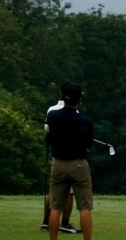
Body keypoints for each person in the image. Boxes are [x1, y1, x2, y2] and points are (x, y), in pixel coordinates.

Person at [46, 83, 94, 240]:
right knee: (85, 207)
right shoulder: (85, 121)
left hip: (58, 164)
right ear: (80, 99)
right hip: (79, 164)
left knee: (55, 207)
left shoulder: (52, 117)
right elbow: (88, 146)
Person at [41, 89, 80, 233]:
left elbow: (46, 129)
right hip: (70, 156)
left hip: (55, 155)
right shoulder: (74, 113)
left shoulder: (51, 109)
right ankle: (64, 223)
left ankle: (46, 221)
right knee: (69, 192)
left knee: (54, 189)